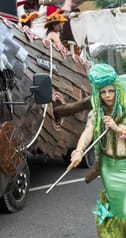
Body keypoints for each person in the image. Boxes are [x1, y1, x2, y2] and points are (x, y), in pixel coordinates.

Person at [69, 63, 126, 237]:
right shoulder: (96, 114)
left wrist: (116, 127)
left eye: (111, 91)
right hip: (109, 167)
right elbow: (87, 132)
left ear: (116, 90)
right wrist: (78, 151)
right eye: (103, 92)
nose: (107, 96)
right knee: (118, 210)